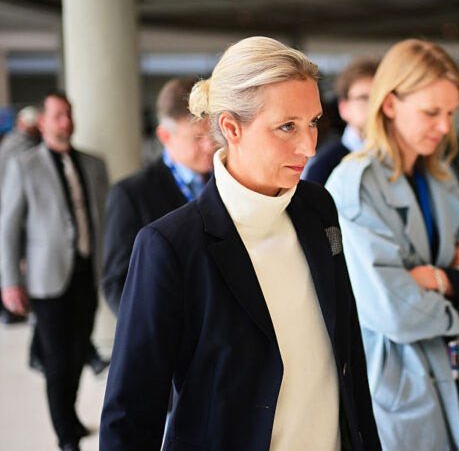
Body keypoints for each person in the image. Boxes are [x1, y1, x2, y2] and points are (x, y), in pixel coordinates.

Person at [100, 36, 381, 451]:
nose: (308, 146)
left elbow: (348, 357)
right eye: (287, 126)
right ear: (231, 128)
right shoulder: (170, 245)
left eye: (313, 122)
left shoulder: (318, 207)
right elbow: (130, 414)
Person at [326, 39, 459, 451]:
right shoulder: (353, 184)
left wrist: (435, 279)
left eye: (451, 113)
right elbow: (391, 310)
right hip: (400, 379)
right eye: (431, 113)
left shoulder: (441, 177)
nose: (445, 127)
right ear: (390, 104)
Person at [0, 91, 108, 451]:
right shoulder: (23, 165)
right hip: (46, 279)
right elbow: (8, 229)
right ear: (43, 122)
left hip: (87, 273)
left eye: (69, 114)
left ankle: (70, 416)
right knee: (58, 361)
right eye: (58, 115)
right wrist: (10, 282)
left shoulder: (93, 164)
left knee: (78, 354)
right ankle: (65, 436)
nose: (66, 122)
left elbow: (104, 219)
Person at [101, 77, 214, 315]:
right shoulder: (132, 195)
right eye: (197, 137)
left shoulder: (229, 181)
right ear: (165, 136)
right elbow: (116, 284)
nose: (209, 146)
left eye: (213, 133)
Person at [304, 57, 378, 184]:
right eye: (363, 98)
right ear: (343, 108)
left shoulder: (402, 161)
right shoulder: (324, 168)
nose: (374, 106)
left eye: (379, 97)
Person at [0, 105, 40, 324]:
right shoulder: (15, 148)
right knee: (17, 260)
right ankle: (13, 309)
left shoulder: (16, 144)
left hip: (21, 213)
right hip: (16, 212)